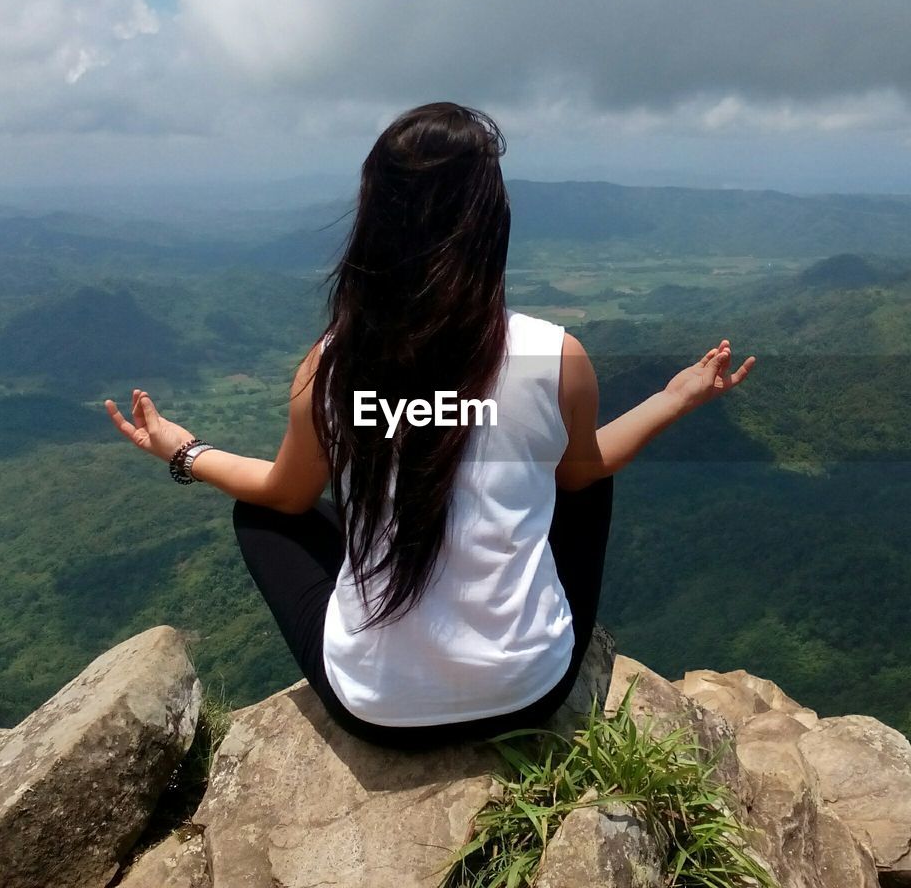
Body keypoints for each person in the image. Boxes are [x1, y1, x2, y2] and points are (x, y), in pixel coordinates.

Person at [105, 102, 755, 750]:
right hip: (531, 693)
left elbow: (283, 494)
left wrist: (184, 450)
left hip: (377, 712)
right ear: (490, 225)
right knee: (581, 479)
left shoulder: (332, 365)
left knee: (262, 515)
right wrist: (674, 397)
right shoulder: (556, 357)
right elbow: (585, 473)